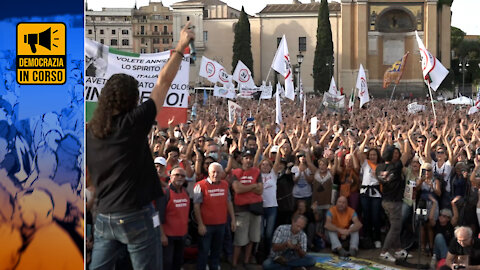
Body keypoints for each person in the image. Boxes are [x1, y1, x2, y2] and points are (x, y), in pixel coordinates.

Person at [86, 23, 195, 269]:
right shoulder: (133, 123)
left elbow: (89, 178)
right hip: (135, 215)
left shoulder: (91, 131)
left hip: (104, 216)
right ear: (133, 99)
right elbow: (163, 82)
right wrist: (181, 45)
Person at [193, 162, 236, 270]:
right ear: (208, 172)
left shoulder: (225, 184)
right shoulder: (200, 185)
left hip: (221, 224)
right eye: (213, 172)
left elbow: (229, 202)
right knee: (204, 251)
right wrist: (200, 224)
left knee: (217, 250)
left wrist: (233, 220)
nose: (215, 174)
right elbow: (196, 206)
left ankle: (214, 267)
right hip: (206, 225)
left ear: (222, 173)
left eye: (218, 172)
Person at [376, 145, 411, 262]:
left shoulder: (379, 167)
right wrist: (406, 138)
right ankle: (384, 252)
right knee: (395, 227)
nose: (397, 155)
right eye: (394, 153)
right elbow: (407, 154)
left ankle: (398, 249)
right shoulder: (395, 166)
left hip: (385, 201)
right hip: (394, 202)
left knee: (395, 226)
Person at [230, 148, 263, 269]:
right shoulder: (235, 173)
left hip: (255, 208)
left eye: (250, 158)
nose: (248, 160)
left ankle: (246, 261)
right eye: (246, 158)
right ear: (242, 159)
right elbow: (237, 189)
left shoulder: (257, 172)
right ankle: (234, 263)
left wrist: (245, 187)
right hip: (241, 209)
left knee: (252, 238)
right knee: (239, 239)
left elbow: (260, 190)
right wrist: (253, 186)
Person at [160, 167, 190, 270]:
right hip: (168, 237)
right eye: (177, 175)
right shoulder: (165, 193)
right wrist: (162, 235)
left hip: (182, 235)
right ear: (170, 177)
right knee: (167, 263)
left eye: (182, 176)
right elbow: (157, 217)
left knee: (178, 261)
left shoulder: (186, 192)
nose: (180, 177)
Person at [428, 195, 460, 267]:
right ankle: (445, 260)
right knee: (439, 236)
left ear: (448, 218)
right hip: (437, 252)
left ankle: (445, 260)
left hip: (448, 251)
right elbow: (430, 218)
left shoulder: (450, 225)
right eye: (440, 215)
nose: (441, 217)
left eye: (444, 216)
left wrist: (453, 204)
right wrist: (434, 204)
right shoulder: (437, 223)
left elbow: (456, 217)